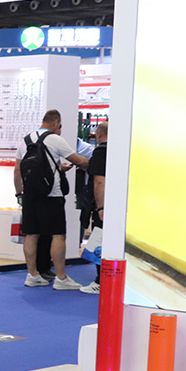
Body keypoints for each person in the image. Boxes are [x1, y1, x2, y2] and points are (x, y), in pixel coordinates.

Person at [13, 110, 89, 290]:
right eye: (60, 126)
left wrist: (19, 194)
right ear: (55, 123)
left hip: (30, 195)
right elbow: (79, 161)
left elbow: (17, 171)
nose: (60, 130)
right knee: (58, 234)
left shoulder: (26, 140)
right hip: (52, 195)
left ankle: (32, 275)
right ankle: (61, 278)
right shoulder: (55, 139)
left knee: (31, 234)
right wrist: (94, 164)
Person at [81, 121, 108, 295]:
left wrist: (100, 207)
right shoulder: (120, 151)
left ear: (98, 133)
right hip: (119, 204)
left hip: (104, 206)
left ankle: (101, 281)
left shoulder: (100, 152)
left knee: (99, 241)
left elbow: (99, 182)